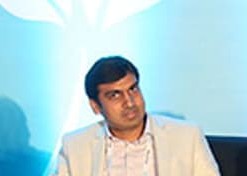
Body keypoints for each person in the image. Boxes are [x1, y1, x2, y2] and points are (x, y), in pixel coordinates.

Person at [54, 56, 219, 176]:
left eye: (133, 89)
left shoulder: (187, 137)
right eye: (115, 95)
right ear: (95, 106)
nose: (130, 102)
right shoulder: (75, 146)